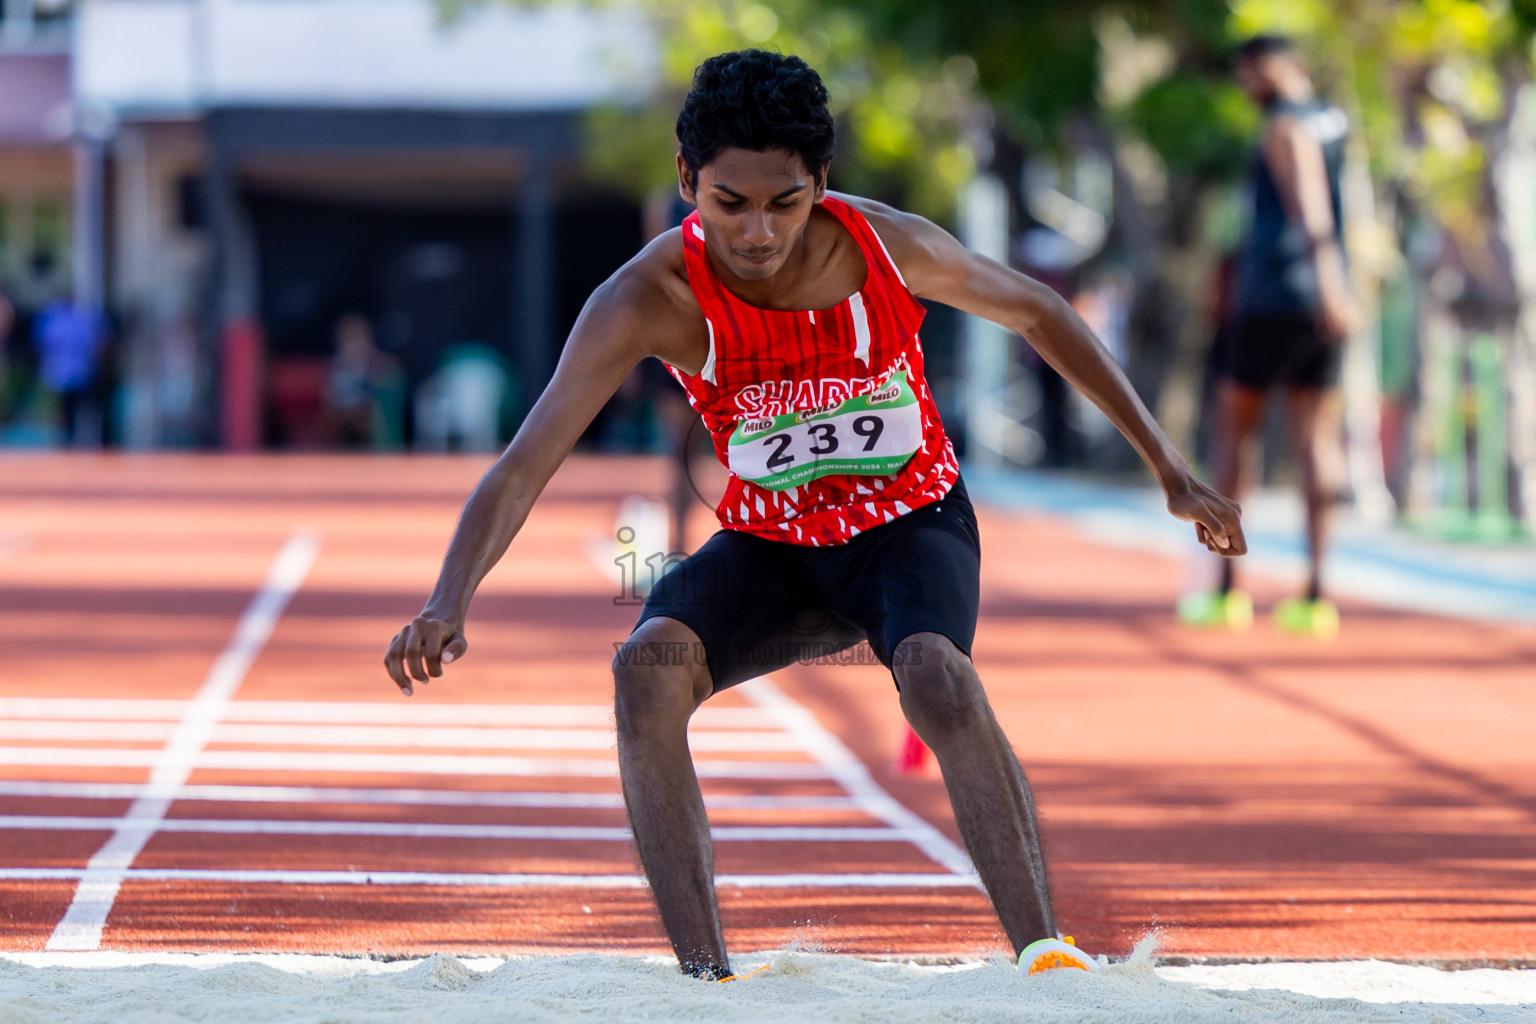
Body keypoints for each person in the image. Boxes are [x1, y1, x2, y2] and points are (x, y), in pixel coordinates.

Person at [384, 50, 1245, 980]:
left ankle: (1048, 959)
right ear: (686, 181)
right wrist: (447, 599)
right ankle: (704, 980)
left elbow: (1039, 311)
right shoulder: (644, 300)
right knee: (645, 671)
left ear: (822, 184)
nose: (756, 232)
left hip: (909, 527)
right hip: (775, 549)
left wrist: (1169, 466)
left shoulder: (889, 247)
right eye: (729, 202)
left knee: (935, 676)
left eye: (784, 203)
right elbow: (523, 466)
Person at [1180, 35, 1355, 637]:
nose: (1245, 85)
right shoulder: (1335, 119)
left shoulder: (1284, 125)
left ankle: (1228, 590)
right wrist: (1341, 288)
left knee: (1237, 434)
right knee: (1316, 439)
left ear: (1281, 66)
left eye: (1249, 72)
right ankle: (1316, 594)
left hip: (1271, 297)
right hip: (1319, 306)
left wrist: (1329, 281)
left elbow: (1311, 207)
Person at [32, 292, 108, 448]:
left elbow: (40, 344)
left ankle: (67, 441)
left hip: (66, 374)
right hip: (74, 374)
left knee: (69, 412)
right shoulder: (78, 318)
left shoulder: (54, 318)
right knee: (72, 412)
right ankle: (70, 441)